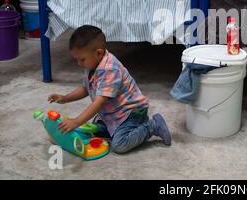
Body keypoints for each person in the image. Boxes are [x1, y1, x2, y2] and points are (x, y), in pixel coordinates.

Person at [48, 25, 171, 154]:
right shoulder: (92, 63)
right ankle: (111, 127)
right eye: (77, 59)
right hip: (113, 113)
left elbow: (99, 102)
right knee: (93, 129)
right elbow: (85, 88)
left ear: (99, 53)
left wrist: (77, 121)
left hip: (131, 113)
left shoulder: (109, 69)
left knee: (119, 145)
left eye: (82, 59)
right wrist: (65, 98)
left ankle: (152, 126)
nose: (79, 63)